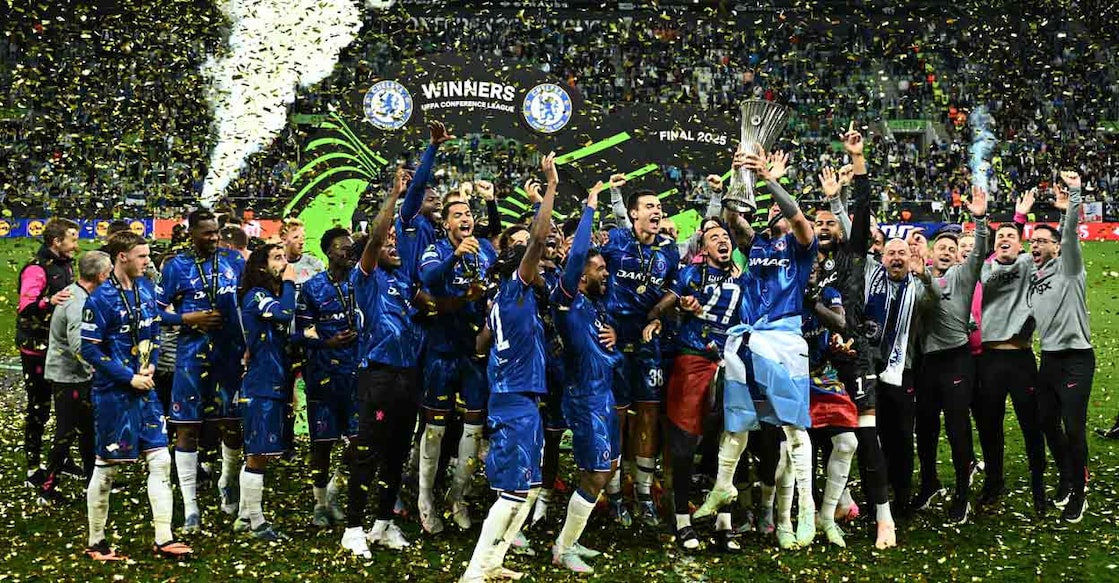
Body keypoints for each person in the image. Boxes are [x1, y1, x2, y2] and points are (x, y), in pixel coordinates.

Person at [697, 145, 817, 552]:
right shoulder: (758, 246)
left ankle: (807, 513)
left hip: (783, 341)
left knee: (793, 428)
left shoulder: (801, 248)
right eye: (768, 209)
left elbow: (799, 217)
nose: (772, 212)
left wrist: (769, 180)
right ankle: (721, 488)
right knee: (737, 422)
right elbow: (732, 217)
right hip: (747, 341)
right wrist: (739, 176)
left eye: (776, 208)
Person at [460, 152, 557, 583]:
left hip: (513, 397)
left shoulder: (501, 302)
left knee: (528, 486)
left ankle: (494, 563)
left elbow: (480, 344)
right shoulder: (516, 292)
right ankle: (476, 571)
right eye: (527, 262)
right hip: (515, 401)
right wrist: (550, 189)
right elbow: (537, 242)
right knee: (515, 492)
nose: (537, 266)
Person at [80, 231, 191, 560]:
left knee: (160, 460)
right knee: (107, 467)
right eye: (142, 256)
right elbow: (89, 348)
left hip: (145, 389)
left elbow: (153, 331)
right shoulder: (99, 300)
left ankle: (164, 536)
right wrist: (128, 377)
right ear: (122, 257)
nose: (148, 261)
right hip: (114, 395)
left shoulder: (146, 289)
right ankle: (96, 541)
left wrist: (151, 366)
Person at [814, 129, 897, 543]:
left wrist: (858, 160)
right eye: (819, 223)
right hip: (814, 359)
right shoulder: (803, 258)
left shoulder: (854, 252)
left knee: (866, 436)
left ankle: (884, 517)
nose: (825, 226)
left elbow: (861, 207)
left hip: (855, 356)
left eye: (831, 221)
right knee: (813, 438)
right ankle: (831, 505)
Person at [644, 217, 741, 551]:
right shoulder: (689, 275)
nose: (722, 241)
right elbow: (658, 307)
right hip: (692, 362)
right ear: (704, 247)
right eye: (714, 237)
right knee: (685, 446)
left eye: (725, 236)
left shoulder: (743, 279)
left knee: (727, 444)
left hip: (730, 364)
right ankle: (683, 521)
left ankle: (723, 521)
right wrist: (674, 312)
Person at [341, 168, 423, 557]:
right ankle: (353, 528)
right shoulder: (366, 279)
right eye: (387, 241)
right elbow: (375, 236)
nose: (392, 243)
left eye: (395, 240)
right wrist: (393, 196)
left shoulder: (404, 282)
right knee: (368, 451)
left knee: (397, 453)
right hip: (378, 375)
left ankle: (383, 523)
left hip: (408, 375)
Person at [974, 189, 1068, 515]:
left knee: (1032, 424)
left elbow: (1060, 253)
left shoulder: (1031, 263)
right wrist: (1011, 223)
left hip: (1021, 358)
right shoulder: (985, 269)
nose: (1005, 239)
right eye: (1000, 236)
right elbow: (995, 267)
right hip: (989, 360)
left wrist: (1022, 219)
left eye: (1011, 236)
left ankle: (1039, 486)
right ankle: (994, 482)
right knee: (990, 425)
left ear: (1021, 243)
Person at [418, 161, 498, 533]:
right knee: (434, 429)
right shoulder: (435, 250)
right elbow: (430, 280)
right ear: (446, 224)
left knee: (473, 430)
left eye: (468, 213)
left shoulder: (484, 249)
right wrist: (455, 256)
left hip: (473, 353)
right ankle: (425, 499)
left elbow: (497, 283)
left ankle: (458, 498)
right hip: (441, 353)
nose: (465, 218)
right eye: (457, 215)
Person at [549, 180, 622, 573]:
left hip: (605, 395)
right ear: (579, 277)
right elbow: (577, 256)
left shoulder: (596, 308)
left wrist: (618, 337)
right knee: (596, 471)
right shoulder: (567, 302)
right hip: (585, 399)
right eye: (599, 269)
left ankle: (571, 538)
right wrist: (590, 207)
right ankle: (564, 546)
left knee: (604, 467)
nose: (605, 273)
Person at [158, 209, 246, 531]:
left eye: (216, 232)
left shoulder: (234, 262)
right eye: (207, 233)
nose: (214, 238)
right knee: (187, 427)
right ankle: (191, 507)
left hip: (229, 355)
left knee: (232, 423)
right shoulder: (175, 267)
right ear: (191, 232)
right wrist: (187, 319)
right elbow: (155, 313)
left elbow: (247, 302)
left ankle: (227, 482)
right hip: (191, 357)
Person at [599, 184, 680, 526]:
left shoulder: (670, 249)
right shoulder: (615, 242)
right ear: (634, 214)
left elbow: (676, 289)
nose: (657, 210)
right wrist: (603, 324)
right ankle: (615, 494)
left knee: (648, 415)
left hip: (650, 344)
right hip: (614, 341)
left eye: (659, 205)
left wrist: (658, 314)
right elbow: (593, 280)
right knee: (615, 418)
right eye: (650, 205)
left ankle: (644, 494)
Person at [913, 187, 988, 525]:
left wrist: (979, 218)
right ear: (931, 252)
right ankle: (929, 483)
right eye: (940, 246)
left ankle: (961, 494)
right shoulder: (917, 279)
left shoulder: (963, 275)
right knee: (926, 429)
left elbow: (980, 249)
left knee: (958, 429)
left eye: (952, 248)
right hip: (927, 364)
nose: (946, 251)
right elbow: (923, 304)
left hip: (957, 360)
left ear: (959, 255)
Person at [1029, 171, 1094, 523]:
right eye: (1033, 241)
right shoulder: (1035, 278)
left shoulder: (1069, 268)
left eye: (1042, 240)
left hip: (1076, 360)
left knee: (1073, 426)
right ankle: (1068, 475)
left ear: (1056, 246)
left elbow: (1070, 236)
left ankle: (1078, 493)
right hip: (1050, 360)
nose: (1035, 245)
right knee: (1046, 421)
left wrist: (1073, 198)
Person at [296, 226, 361, 527]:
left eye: (349, 245)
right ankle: (319, 504)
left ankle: (335, 490)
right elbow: (302, 332)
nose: (347, 250)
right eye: (340, 246)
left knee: (359, 441)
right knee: (322, 444)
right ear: (327, 252)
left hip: (357, 375)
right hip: (323, 375)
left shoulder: (362, 282)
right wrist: (327, 342)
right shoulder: (312, 289)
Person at [235, 243, 298, 541]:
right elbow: (285, 314)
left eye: (284, 257)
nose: (284, 262)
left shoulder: (269, 297)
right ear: (261, 267)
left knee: (260, 453)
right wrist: (289, 282)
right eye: (277, 258)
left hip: (275, 382)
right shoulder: (256, 296)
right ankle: (257, 523)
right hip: (260, 385)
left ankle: (243, 517)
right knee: (257, 455)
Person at [40, 250, 112, 504]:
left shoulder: (79, 293)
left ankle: (92, 479)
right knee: (66, 431)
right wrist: (100, 368)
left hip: (78, 375)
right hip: (68, 377)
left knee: (89, 430)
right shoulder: (77, 303)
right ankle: (47, 488)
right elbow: (78, 345)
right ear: (102, 275)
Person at [17, 217, 79, 489]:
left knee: (67, 406)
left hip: (61, 346)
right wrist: (48, 302)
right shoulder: (36, 269)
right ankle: (32, 466)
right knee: (39, 406)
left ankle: (61, 458)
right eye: (73, 239)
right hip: (37, 348)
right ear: (57, 241)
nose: (76, 245)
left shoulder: (66, 266)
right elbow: (25, 307)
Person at [802, 262, 860, 548]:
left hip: (823, 375)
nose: (812, 267)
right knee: (801, 450)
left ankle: (828, 515)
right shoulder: (781, 290)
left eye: (815, 263)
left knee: (848, 442)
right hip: (791, 376)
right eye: (806, 262)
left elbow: (840, 323)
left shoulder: (828, 293)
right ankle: (806, 515)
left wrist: (813, 303)